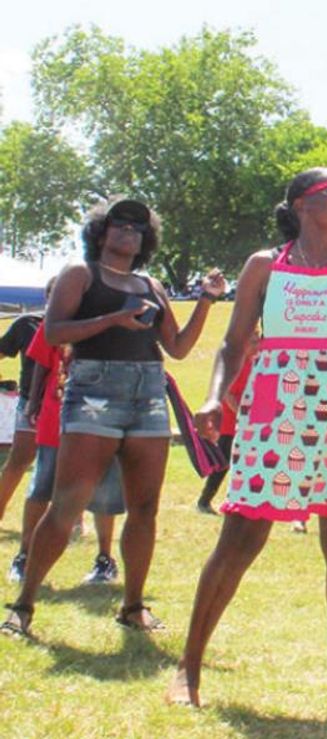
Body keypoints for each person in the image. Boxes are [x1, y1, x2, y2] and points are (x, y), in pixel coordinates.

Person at [165, 167, 327, 707]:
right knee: (240, 537)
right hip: (276, 413)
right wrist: (216, 396)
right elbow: (233, 343)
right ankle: (188, 670)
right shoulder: (265, 266)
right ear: (303, 206)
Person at [1, 198, 224, 638]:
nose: (129, 232)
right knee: (67, 503)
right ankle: (23, 605)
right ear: (101, 232)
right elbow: (53, 332)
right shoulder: (80, 274)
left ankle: (133, 605)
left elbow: (177, 348)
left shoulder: (151, 284)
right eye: (120, 224)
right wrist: (113, 320)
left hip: (147, 391)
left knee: (145, 508)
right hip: (93, 389)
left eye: (138, 228)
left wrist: (206, 300)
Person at [6, 319, 127, 585]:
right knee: (41, 487)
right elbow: (41, 362)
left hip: (101, 418)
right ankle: (24, 556)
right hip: (56, 414)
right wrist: (33, 403)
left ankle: (105, 560)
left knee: (104, 491)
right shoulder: (58, 319)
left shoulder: (115, 319)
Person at [0, 283, 50, 526]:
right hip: (31, 402)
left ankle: (73, 521)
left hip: (68, 405)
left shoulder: (80, 328)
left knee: (66, 465)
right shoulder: (27, 324)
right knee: (19, 461)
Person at [195, 332, 258, 515]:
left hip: (246, 421)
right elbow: (228, 394)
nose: (258, 344)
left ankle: (243, 500)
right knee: (223, 464)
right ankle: (204, 501)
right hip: (230, 423)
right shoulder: (237, 364)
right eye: (253, 341)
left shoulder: (254, 363)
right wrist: (241, 413)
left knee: (247, 462)